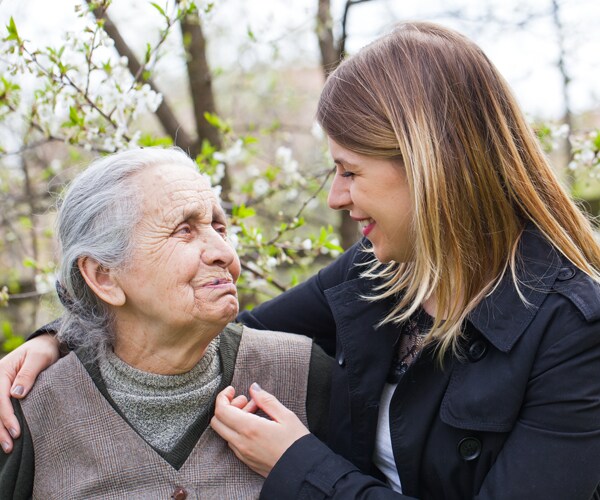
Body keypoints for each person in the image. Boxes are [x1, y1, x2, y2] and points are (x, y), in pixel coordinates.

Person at [1, 20, 600, 499]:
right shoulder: (383, 270)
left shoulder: (574, 330)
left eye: (350, 171)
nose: (336, 196)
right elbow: (218, 330)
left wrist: (299, 464)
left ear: (429, 167)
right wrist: (62, 337)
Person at [0, 147, 331, 498]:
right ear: (104, 277)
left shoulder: (307, 376)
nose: (224, 252)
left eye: (220, 227)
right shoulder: (27, 414)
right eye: (184, 230)